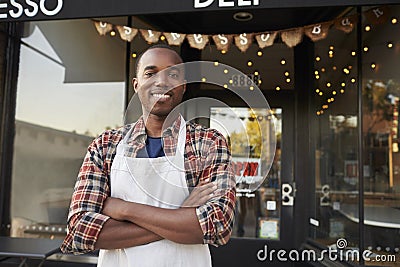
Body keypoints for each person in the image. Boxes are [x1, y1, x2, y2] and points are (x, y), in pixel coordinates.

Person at [61, 44, 236, 267]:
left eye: (173, 74)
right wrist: (181, 215)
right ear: (137, 85)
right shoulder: (106, 145)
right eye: (150, 73)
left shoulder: (208, 143)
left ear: (183, 87)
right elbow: (80, 232)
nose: (161, 82)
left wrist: (125, 209)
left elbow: (217, 226)